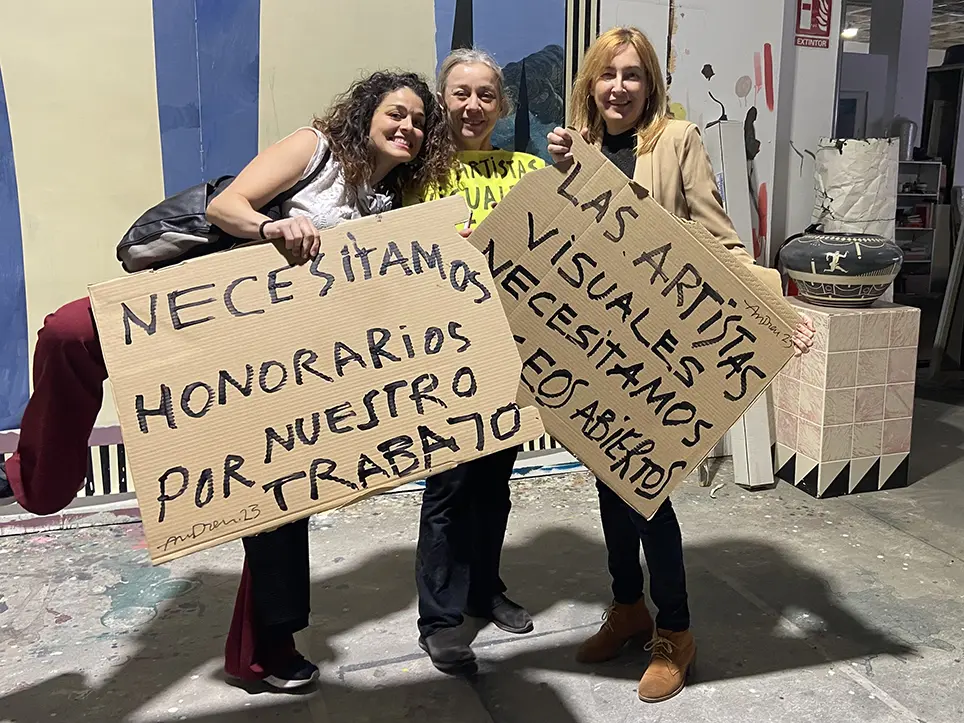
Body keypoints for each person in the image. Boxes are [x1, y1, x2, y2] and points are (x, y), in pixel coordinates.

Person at [3, 70, 455, 691]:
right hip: (200, 305)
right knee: (68, 334)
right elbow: (225, 207)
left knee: (276, 497)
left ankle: (264, 650)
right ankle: (36, 476)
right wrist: (276, 229)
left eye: (419, 122)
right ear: (366, 116)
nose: (408, 127)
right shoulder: (316, 147)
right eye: (395, 113)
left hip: (276, 361)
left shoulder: (392, 205)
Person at [546, 26, 815, 703]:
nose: (619, 87)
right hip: (595, 348)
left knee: (647, 495)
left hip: (653, 353)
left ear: (651, 84)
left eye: (633, 74)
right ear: (590, 82)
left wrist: (774, 306)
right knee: (609, 490)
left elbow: (717, 236)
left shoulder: (677, 143)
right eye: (608, 74)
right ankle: (628, 607)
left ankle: (677, 630)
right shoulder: (572, 148)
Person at [408, 48, 545, 675]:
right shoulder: (414, 174)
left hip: (511, 348)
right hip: (440, 353)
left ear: (503, 105)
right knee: (447, 488)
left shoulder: (527, 168)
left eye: (486, 94)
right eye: (460, 93)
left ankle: (484, 591)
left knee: (494, 484)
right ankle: (439, 618)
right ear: (443, 101)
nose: (472, 106)